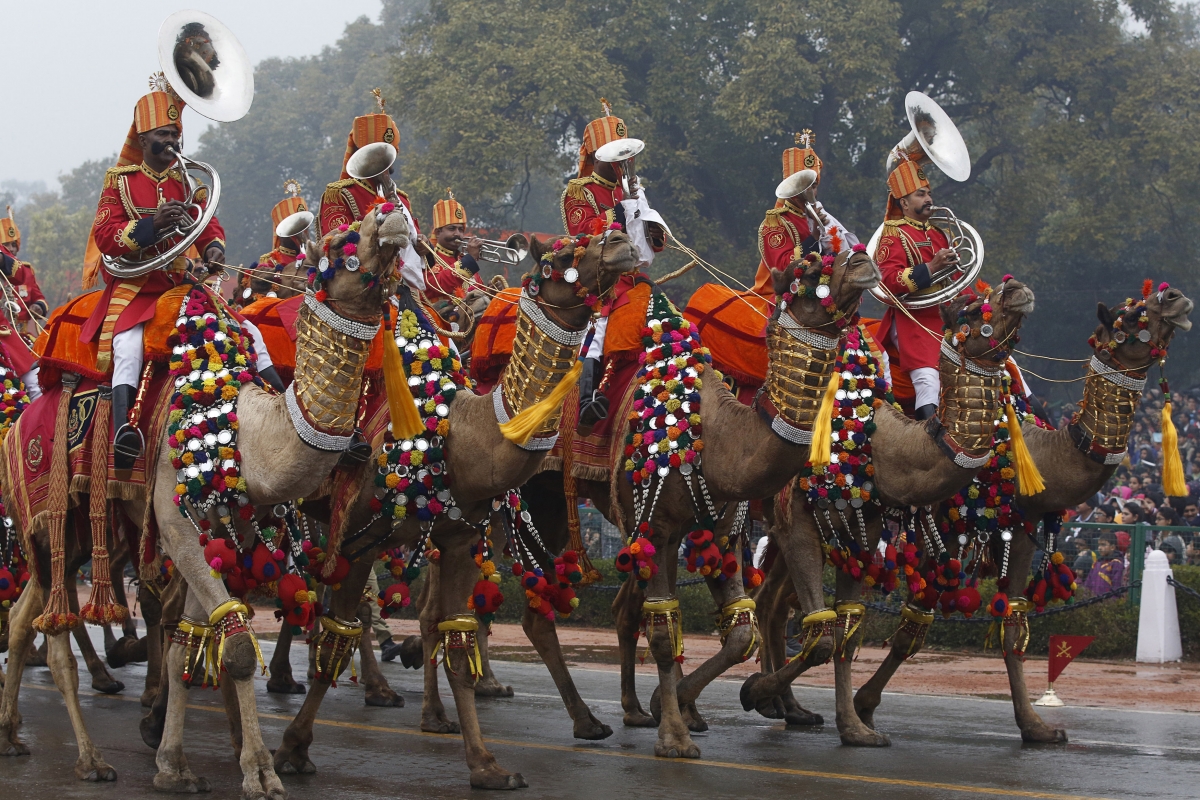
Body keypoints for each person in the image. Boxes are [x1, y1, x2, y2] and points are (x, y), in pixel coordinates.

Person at [80, 85, 280, 469]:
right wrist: (150, 226)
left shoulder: (186, 180)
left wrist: (213, 248)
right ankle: (126, 430)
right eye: (163, 135)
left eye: (175, 134)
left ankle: (280, 403)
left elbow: (208, 223)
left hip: (180, 282)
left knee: (248, 331)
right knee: (127, 346)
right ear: (144, 138)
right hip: (136, 286)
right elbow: (105, 235)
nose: (173, 141)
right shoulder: (119, 181)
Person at [561, 100, 669, 427]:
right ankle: (587, 399)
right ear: (596, 156)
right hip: (597, 281)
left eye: (627, 153)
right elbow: (584, 235)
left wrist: (650, 223)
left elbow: (649, 248)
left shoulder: (634, 190)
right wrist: (622, 210)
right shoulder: (579, 191)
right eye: (615, 153)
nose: (625, 161)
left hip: (633, 278)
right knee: (598, 330)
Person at [875, 154, 965, 420]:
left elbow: (958, 280)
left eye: (929, 194)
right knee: (928, 380)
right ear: (903, 202)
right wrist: (931, 268)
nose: (929, 199)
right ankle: (929, 442)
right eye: (920, 194)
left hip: (945, 318)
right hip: (911, 320)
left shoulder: (938, 233)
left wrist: (983, 303)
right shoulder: (892, 233)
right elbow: (888, 281)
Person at [319, 89, 425, 293]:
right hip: (359, 289)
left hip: (403, 286)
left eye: (388, 154)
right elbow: (336, 245)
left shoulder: (401, 198)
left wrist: (421, 244)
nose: (385, 163)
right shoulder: (340, 194)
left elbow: (412, 241)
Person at [750, 130, 859, 296]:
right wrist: (814, 237)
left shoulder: (826, 217)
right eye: (803, 186)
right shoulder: (775, 223)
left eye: (813, 186)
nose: (810, 192)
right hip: (784, 297)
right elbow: (782, 268)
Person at [237, 179, 310, 308]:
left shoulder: (313, 257)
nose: (300, 233)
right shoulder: (270, 262)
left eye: (303, 228)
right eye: (294, 229)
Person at [423, 190, 483, 304]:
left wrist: (493, 289)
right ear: (438, 232)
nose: (457, 234)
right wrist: (470, 259)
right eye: (452, 229)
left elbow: (479, 291)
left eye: (461, 230)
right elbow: (438, 284)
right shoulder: (428, 257)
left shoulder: (463, 258)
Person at [0, 206, 48, 333]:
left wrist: (39, 307)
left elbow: (40, 298)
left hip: (23, 335)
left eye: (13, 244)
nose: (11, 249)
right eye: (6, 245)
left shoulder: (26, 270)